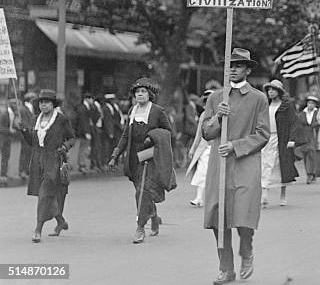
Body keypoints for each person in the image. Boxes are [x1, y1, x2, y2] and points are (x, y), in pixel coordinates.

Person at [202, 48, 270, 284]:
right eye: (230, 65)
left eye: (238, 65)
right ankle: (226, 268)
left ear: (248, 70)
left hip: (245, 161)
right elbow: (206, 133)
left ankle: (247, 251)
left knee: (243, 216)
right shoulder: (215, 97)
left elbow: (263, 134)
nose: (232, 69)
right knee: (218, 218)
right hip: (219, 163)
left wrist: (235, 145)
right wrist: (217, 117)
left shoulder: (259, 98)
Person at [108, 78, 176, 244]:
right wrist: (115, 155)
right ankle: (153, 216)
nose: (140, 94)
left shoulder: (157, 111)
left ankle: (140, 227)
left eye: (143, 91)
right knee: (141, 189)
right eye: (137, 92)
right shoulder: (133, 110)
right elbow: (125, 135)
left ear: (150, 94)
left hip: (150, 154)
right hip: (133, 155)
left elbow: (168, 132)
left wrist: (152, 137)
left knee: (142, 191)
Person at [18, 90, 75, 242]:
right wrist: (24, 131)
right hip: (37, 160)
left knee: (45, 194)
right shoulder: (36, 119)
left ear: (53, 104)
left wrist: (64, 148)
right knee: (45, 194)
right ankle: (61, 221)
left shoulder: (61, 120)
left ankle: (38, 229)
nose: (43, 105)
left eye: (47, 102)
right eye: (41, 102)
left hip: (54, 160)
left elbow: (71, 138)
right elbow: (32, 142)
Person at [261, 79, 298, 207]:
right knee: (265, 164)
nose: (270, 92)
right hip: (267, 138)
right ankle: (264, 194)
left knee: (280, 166)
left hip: (281, 139)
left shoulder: (286, 106)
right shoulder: (266, 106)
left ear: (279, 91)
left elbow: (293, 122)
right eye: (269, 90)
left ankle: (283, 194)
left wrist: (291, 139)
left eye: (273, 90)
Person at [185, 89, 215, 207]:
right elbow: (199, 134)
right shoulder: (203, 115)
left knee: (213, 175)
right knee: (202, 172)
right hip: (204, 148)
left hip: (217, 149)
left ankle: (211, 199)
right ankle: (198, 198)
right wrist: (193, 149)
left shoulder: (222, 114)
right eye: (206, 100)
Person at [294, 96, 319, 184]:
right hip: (304, 137)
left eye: (312, 103)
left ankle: (312, 174)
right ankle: (309, 173)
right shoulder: (301, 114)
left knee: (312, 154)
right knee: (306, 155)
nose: (310, 105)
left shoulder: (319, 113)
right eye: (309, 103)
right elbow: (297, 126)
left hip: (314, 136)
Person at [74, 92, 95, 174]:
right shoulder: (83, 108)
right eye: (91, 98)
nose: (92, 100)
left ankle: (82, 164)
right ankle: (81, 165)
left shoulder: (86, 107)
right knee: (83, 148)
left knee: (84, 148)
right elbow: (84, 121)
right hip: (83, 131)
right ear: (87, 99)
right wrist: (87, 132)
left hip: (85, 130)